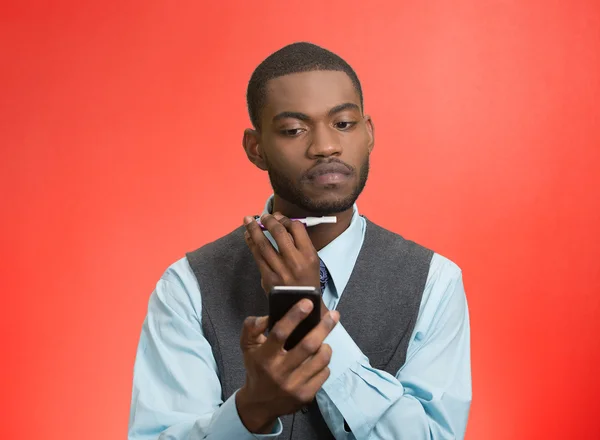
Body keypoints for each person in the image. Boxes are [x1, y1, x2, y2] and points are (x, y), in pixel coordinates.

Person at [128, 42, 472, 440]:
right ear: (256, 149)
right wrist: (252, 409)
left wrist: (308, 319)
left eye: (344, 123)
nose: (325, 146)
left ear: (369, 133)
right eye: (294, 130)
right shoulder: (188, 286)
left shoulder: (434, 281)